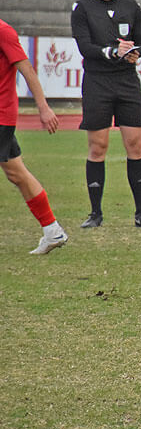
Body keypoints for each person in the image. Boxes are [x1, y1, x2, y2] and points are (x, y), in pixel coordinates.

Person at [71, 0, 141, 229]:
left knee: (135, 144)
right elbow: (84, 47)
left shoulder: (131, 6)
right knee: (98, 146)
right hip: (97, 82)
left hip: (126, 81)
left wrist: (135, 54)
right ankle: (95, 214)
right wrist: (110, 52)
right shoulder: (82, 8)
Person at [1, 18, 68, 254]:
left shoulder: (3, 31)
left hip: (1, 115)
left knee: (16, 172)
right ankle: (53, 231)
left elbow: (27, 70)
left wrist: (43, 108)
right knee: (16, 173)